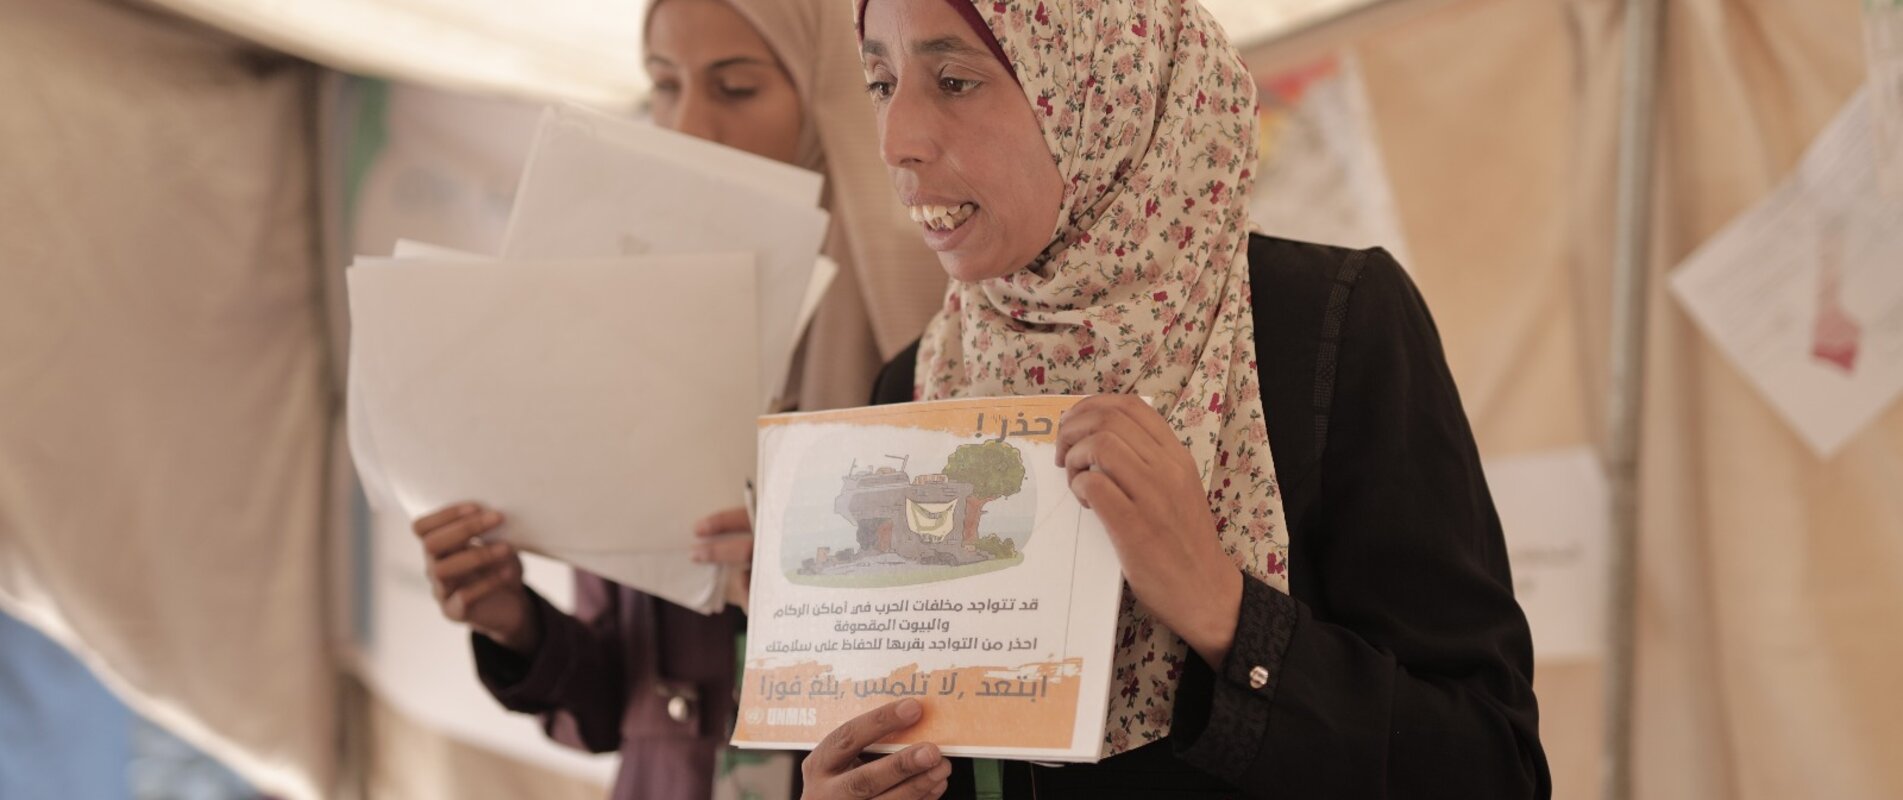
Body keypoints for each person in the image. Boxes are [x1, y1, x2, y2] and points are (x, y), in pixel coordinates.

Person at [794, 0, 1552, 797]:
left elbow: (1490, 767)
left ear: (1105, 84)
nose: (895, 141)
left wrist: (1221, 606)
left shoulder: (1326, 326)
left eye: (954, 80)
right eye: (879, 82)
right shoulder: (915, 386)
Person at [404, 1, 947, 798]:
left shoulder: (930, 336)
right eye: (663, 85)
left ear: (834, 98)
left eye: (735, 88)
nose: (690, 125)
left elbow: (981, 670)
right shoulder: (625, 328)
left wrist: (814, 599)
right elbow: (605, 707)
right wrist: (508, 618)